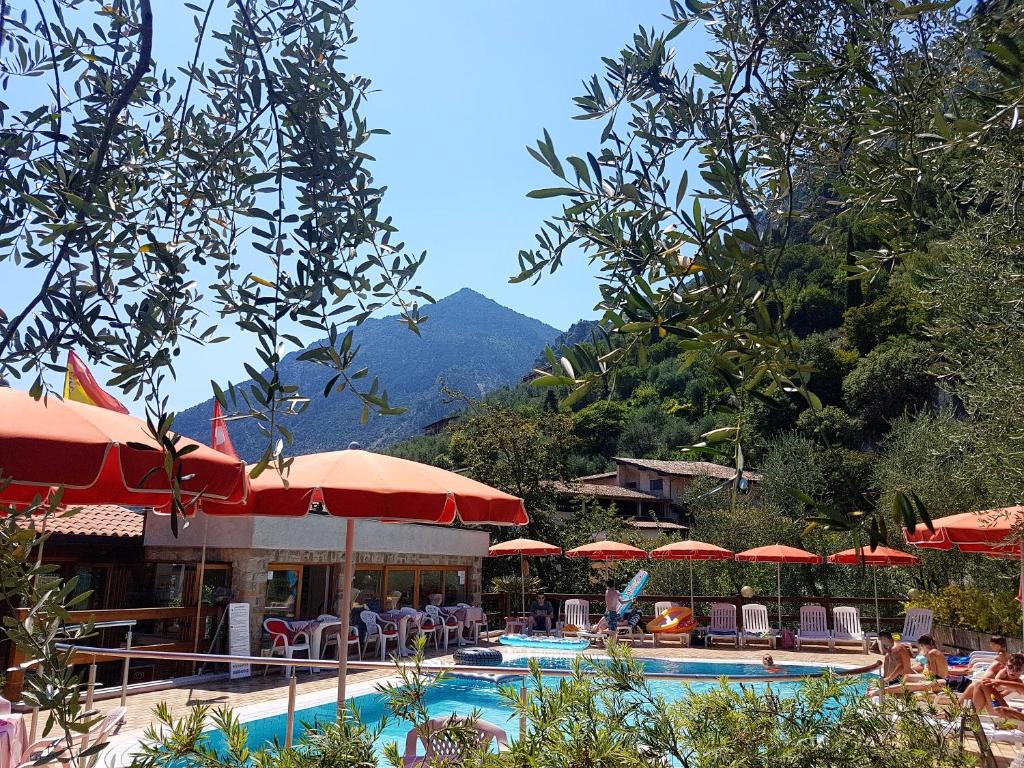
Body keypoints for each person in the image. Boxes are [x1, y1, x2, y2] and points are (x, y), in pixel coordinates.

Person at [879, 634, 948, 695]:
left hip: (938, 678)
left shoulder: (931, 653)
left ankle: (894, 688)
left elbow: (933, 673)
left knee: (907, 678)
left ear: (922, 645)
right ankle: (895, 687)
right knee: (907, 676)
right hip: (938, 677)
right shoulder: (933, 651)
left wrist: (920, 677)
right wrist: (914, 672)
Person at [867, 631, 913, 696]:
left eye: (881, 641)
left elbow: (901, 666)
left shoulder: (895, 648)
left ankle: (888, 684)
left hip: (902, 678)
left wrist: (888, 679)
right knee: (887, 657)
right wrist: (885, 678)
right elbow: (889, 660)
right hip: (896, 677)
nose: (881, 643)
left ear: (885, 638)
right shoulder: (892, 647)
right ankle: (887, 682)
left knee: (871, 691)